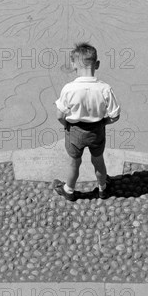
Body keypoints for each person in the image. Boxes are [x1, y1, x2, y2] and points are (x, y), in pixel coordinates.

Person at [52, 42, 121, 201]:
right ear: (96, 64)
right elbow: (115, 115)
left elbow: (59, 115)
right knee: (98, 161)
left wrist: (67, 125)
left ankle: (68, 190)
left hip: (75, 131)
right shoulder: (104, 88)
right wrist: (104, 122)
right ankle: (103, 189)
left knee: (74, 163)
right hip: (97, 130)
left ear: (73, 65)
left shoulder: (69, 88)